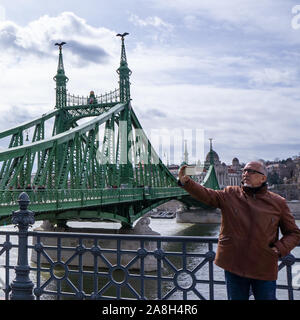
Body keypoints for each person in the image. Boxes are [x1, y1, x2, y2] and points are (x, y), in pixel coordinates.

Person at [178, 161, 300, 300]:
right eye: (244, 171)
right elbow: (207, 195)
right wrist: (187, 182)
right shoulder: (230, 193)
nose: (246, 173)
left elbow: (294, 233)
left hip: (264, 266)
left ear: (263, 178)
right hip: (234, 265)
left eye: (252, 171)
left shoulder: (278, 202)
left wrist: (279, 249)